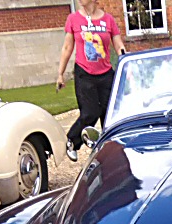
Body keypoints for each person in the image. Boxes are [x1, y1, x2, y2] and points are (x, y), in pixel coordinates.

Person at [57, 0, 126, 162]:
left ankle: (109, 153)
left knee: (109, 115)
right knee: (90, 112)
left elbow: (118, 45)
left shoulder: (108, 20)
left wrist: (126, 65)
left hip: (106, 74)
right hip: (84, 74)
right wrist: (60, 74)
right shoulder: (73, 19)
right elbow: (67, 47)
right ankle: (72, 141)